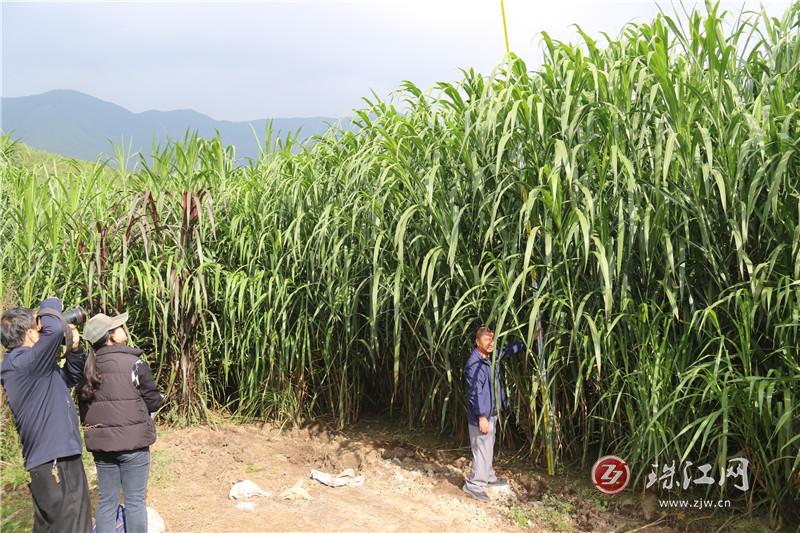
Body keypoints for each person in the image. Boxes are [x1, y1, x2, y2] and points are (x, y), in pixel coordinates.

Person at [0, 298, 92, 533]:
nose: (42, 332)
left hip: (54, 458)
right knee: (73, 526)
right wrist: (50, 306)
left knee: (52, 528)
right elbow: (54, 329)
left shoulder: (30, 366)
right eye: (38, 328)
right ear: (31, 333)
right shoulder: (23, 363)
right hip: (56, 460)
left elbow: (70, 377)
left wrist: (75, 349)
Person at [80, 312, 164, 533]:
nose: (122, 329)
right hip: (133, 446)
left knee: (107, 501)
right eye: (117, 327)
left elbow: (84, 409)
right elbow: (153, 401)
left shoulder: (88, 368)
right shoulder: (134, 363)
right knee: (135, 501)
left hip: (103, 447)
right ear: (111, 337)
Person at [462, 325, 526, 502]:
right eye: (486, 339)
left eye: (492, 339)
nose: (490, 343)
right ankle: (473, 485)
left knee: (488, 446)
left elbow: (508, 350)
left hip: (491, 411)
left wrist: (530, 340)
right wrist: (481, 416)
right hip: (481, 416)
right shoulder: (474, 364)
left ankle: (488, 477)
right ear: (477, 342)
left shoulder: (490, 357)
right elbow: (475, 393)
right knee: (481, 449)